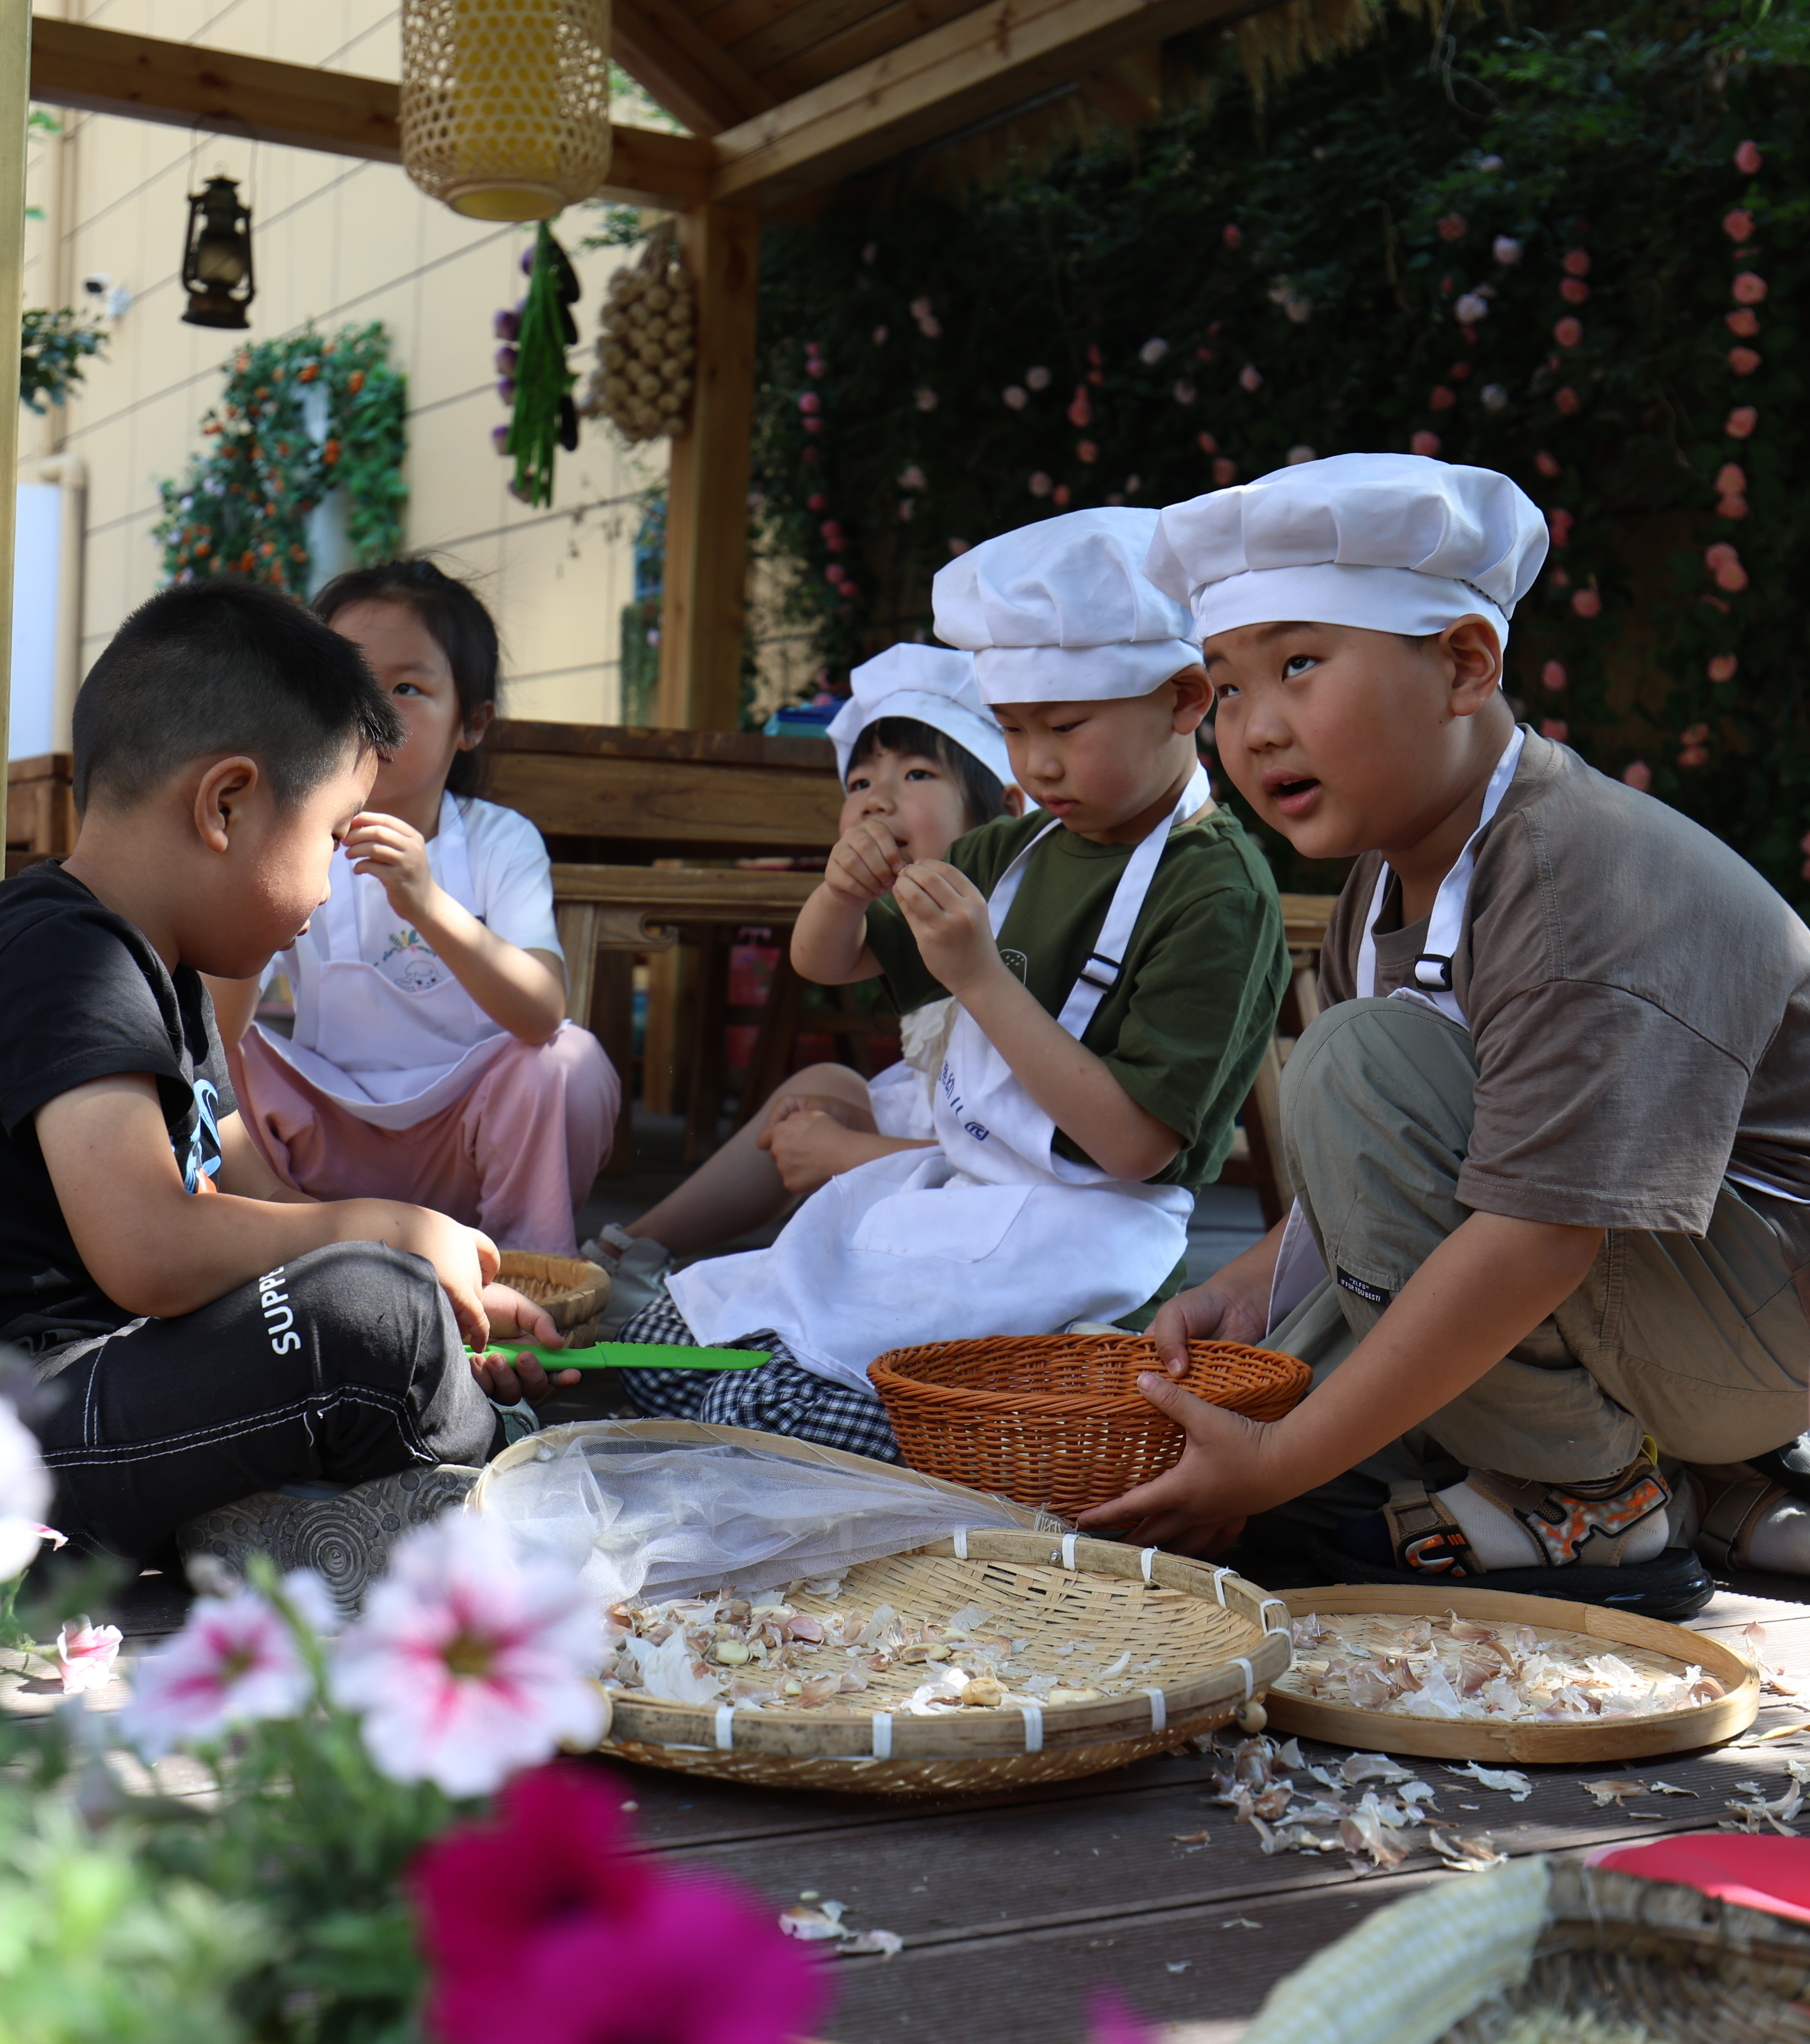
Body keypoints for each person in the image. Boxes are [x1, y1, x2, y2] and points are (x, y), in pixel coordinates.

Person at [1083, 453, 1810, 1614]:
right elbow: (1405, 1173)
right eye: (1227, 687)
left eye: (1300, 664)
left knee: (1351, 1074)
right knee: (1280, 1367)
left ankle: (1590, 1504)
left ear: (1465, 666)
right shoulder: (1383, 890)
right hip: (1674, 1301)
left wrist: (1283, 1460)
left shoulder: (1577, 877)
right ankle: (1680, 1479)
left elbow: (1538, 1237)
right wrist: (1245, 1291)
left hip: (1797, 1325)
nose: (1257, 727)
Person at [0, 578, 573, 1589]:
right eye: (330, 837)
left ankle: (402, 1464)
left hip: (63, 1395)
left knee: (384, 1304)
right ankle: (450, 1492)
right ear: (226, 804)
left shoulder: (161, 970)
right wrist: (386, 1232)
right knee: (368, 1315)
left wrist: (436, 1286)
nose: (326, 886)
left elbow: (234, 1191)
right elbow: (151, 1245)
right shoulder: (63, 957)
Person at [612, 508, 1290, 1458]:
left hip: (1082, 1233)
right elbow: (828, 963)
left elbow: (1135, 1148)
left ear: (1184, 700)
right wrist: (840, 897)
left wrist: (978, 977)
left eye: (1066, 726)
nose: (1038, 762)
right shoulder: (1016, 848)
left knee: (859, 1415)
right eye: (1014, 728)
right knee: (672, 1340)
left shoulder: (1215, 891)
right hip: (964, 1191)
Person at [579, 642, 1022, 1316]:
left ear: (1004, 811)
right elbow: (820, 960)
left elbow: (1008, 1152)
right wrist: (841, 895)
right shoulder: (912, 907)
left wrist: (847, 1153)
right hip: (934, 1132)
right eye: (861, 784)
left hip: (999, 1180)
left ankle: (782, 1296)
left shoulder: (1022, 920)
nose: (878, 802)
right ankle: (634, 1252)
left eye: (919, 775)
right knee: (823, 1087)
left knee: (834, 1149)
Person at [215, 560, 623, 1256]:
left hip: (465, 1149)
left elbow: (541, 1010)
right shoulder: (285, 839)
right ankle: (280, 1238)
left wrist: (427, 901)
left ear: (472, 723)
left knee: (569, 1065)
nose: (372, 712)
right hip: (325, 1145)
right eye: (347, 684)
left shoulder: (500, 842)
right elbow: (222, 1028)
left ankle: (525, 1271)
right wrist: (261, 882)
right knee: (213, 1056)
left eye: (407, 687)